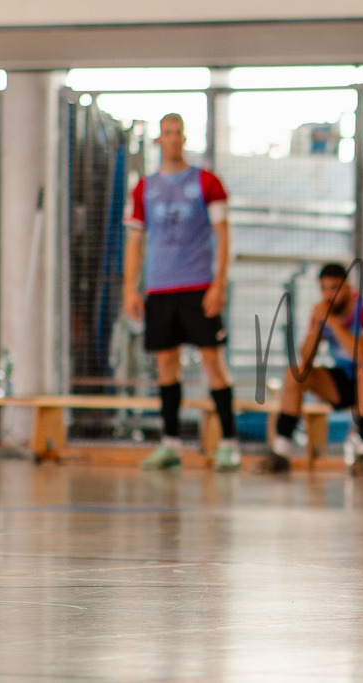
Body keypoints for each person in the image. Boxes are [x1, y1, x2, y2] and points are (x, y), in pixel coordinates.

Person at [123, 113, 241, 472]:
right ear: (159, 140)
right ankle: (171, 443)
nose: (172, 139)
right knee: (165, 366)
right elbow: (135, 240)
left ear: (184, 138)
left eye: (178, 133)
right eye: (166, 134)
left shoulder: (206, 182)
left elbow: (223, 233)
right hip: (160, 289)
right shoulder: (144, 188)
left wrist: (219, 282)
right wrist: (130, 287)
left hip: (197, 287)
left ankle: (229, 443)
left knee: (212, 362)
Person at [257, 262, 363, 474]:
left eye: (334, 288)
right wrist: (318, 326)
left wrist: (335, 325)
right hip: (346, 380)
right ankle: (281, 451)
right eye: (324, 289)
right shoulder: (322, 312)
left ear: (348, 287)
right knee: (295, 374)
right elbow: (306, 358)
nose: (329, 295)